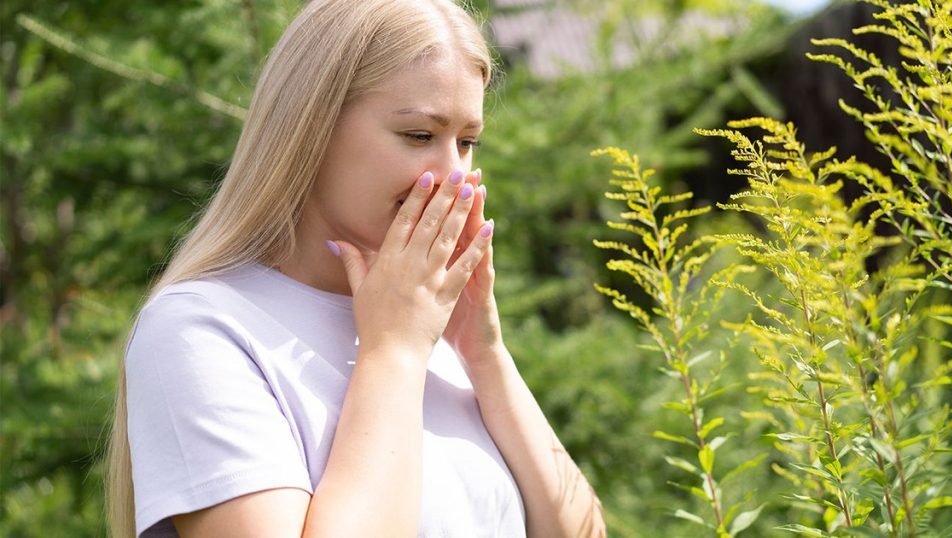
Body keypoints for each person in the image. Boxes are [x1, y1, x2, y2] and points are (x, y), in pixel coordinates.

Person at [104, 0, 605, 536]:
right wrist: (395, 351)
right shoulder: (201, 330)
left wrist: (484, 354)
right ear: (312, 127)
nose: (453, 175)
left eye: (467, 143)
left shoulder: (428, 320)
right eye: (419, 136)